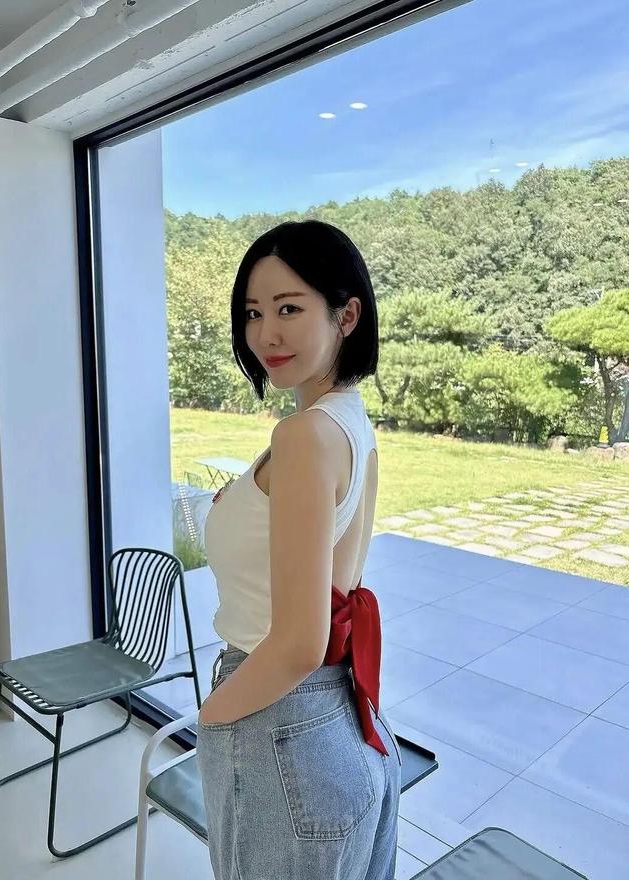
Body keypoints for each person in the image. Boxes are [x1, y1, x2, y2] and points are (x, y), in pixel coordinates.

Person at [196, 219, 402, 879]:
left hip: (278, 718)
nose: (266, 335)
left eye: (289, 308)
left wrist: (213, 718)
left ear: (347, 315)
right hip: (341, 718)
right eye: (253, 313)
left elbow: (297, 643)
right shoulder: (347, 418)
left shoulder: (305, 436)